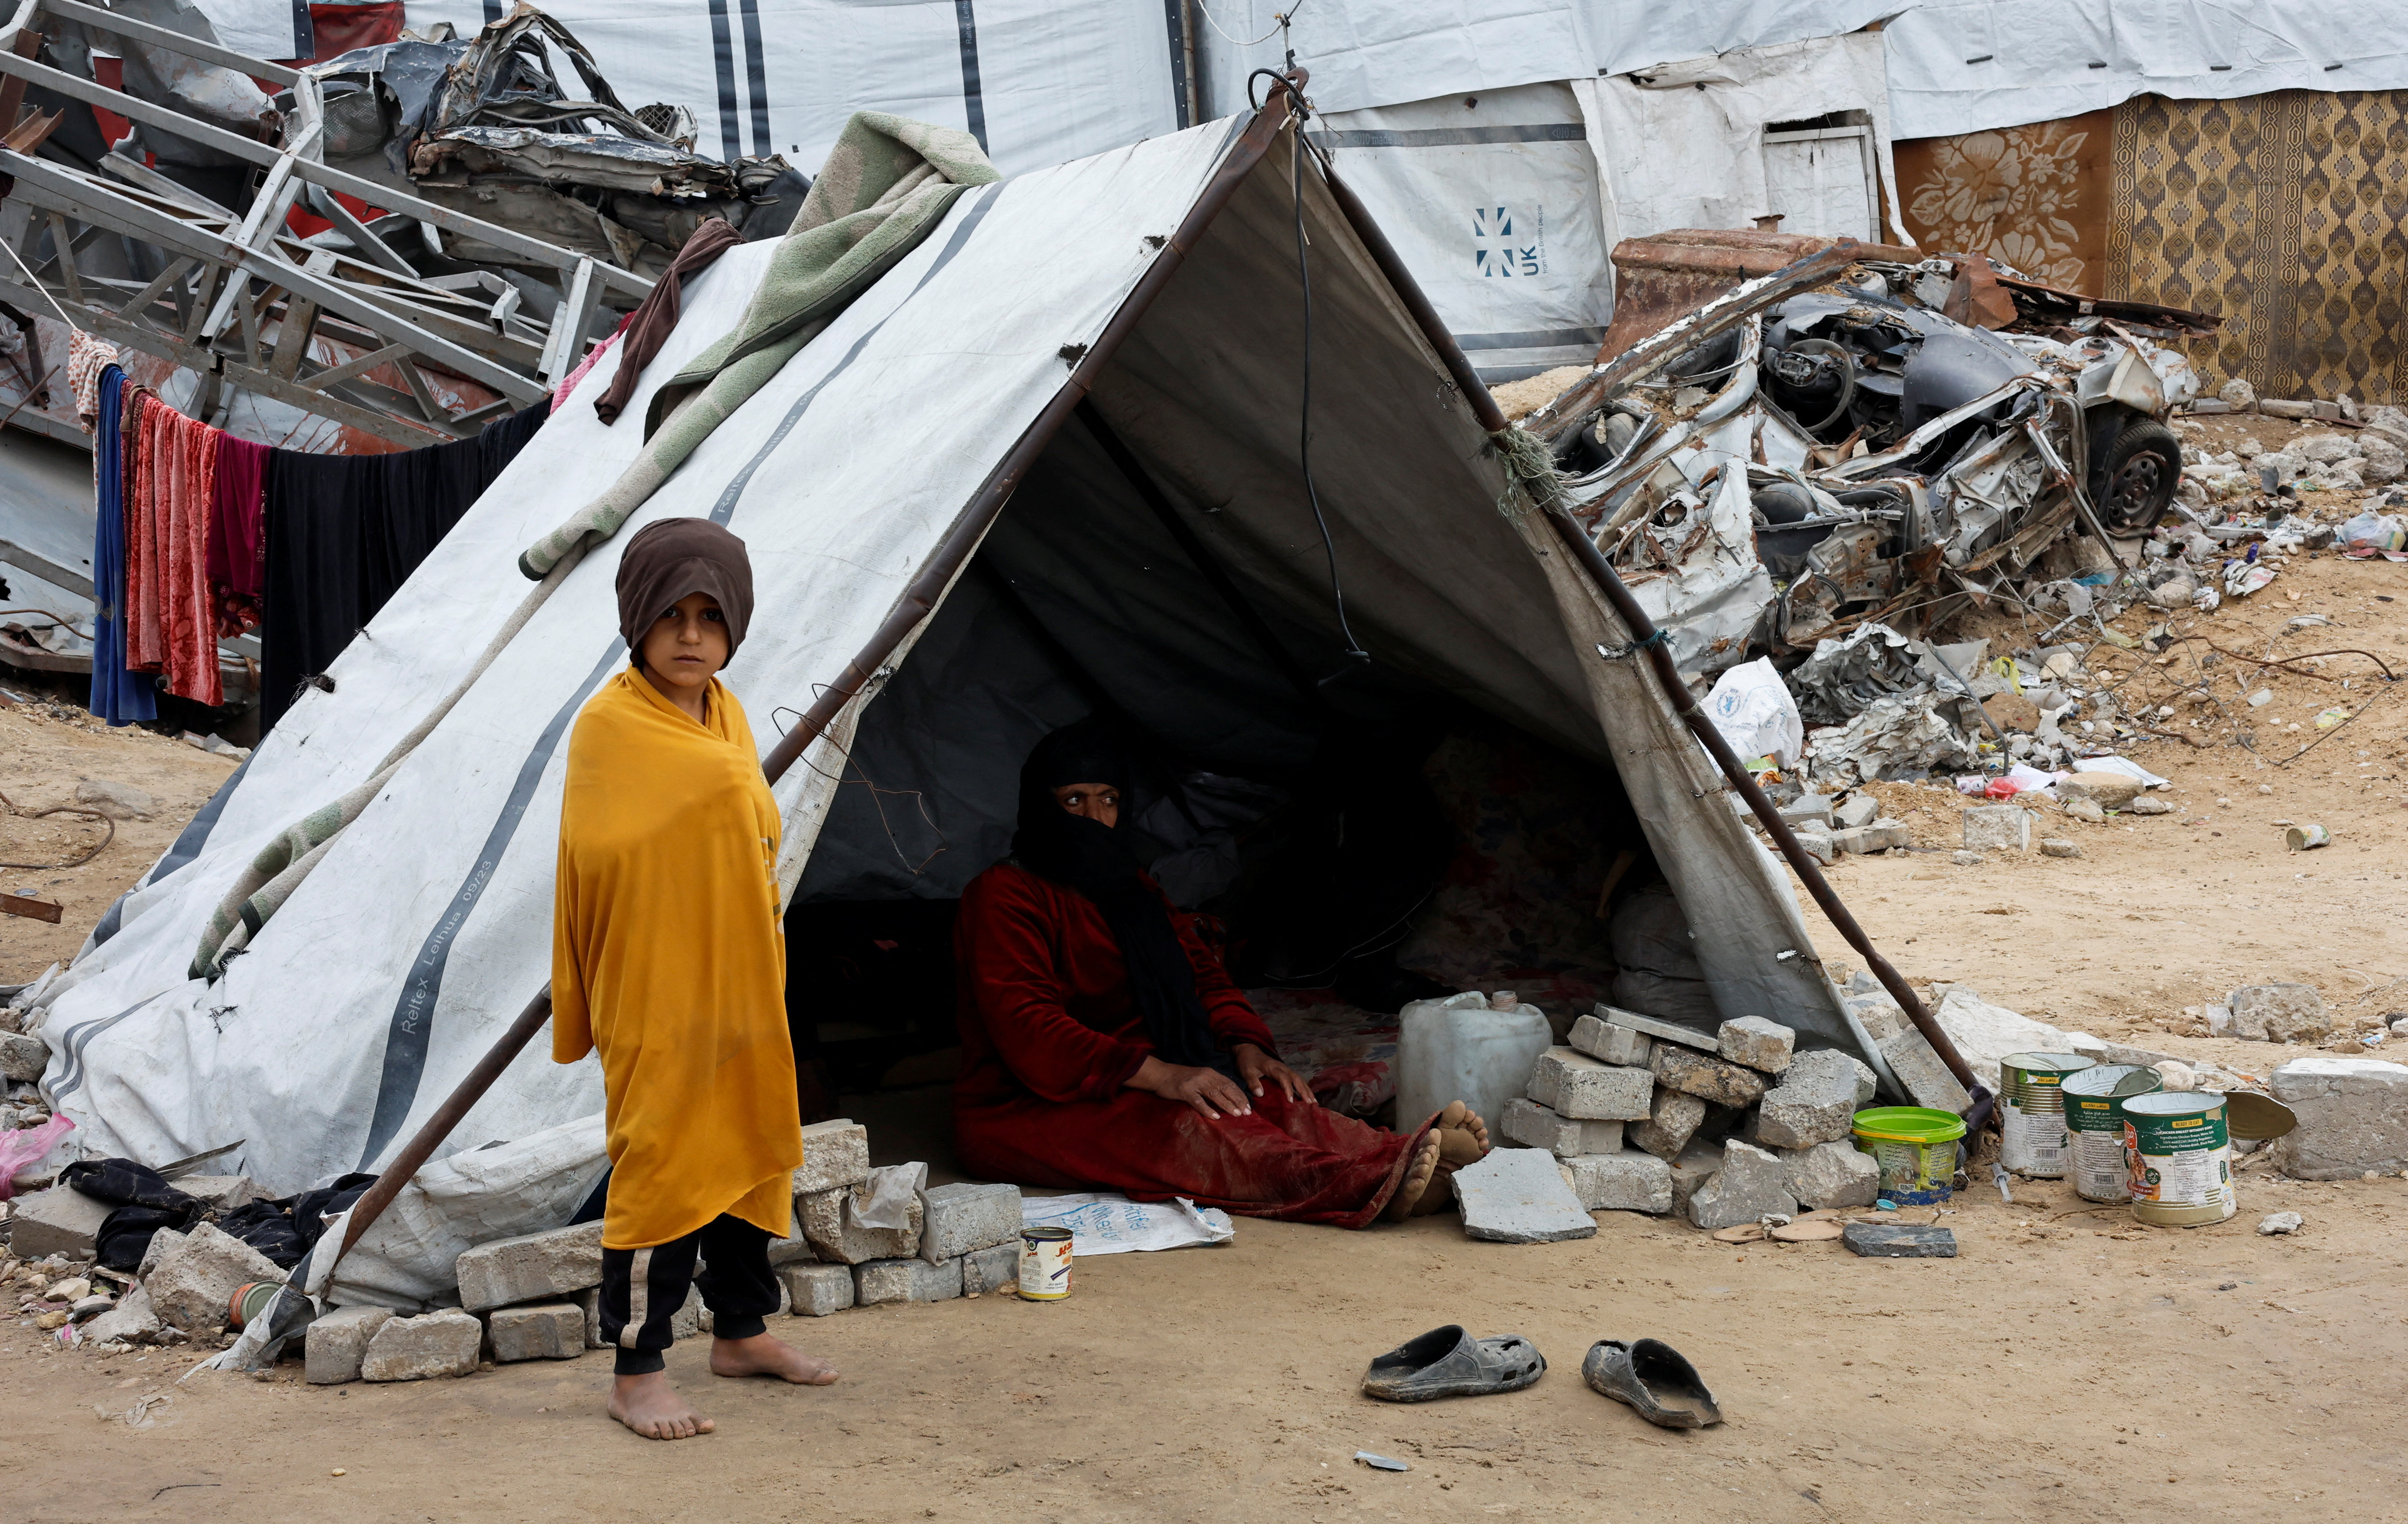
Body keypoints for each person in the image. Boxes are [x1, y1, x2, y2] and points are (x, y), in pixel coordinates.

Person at [953, 725, 1489, 1226]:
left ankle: (1405, 1155)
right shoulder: (1003, 896)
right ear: (1042, 806)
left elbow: (1204, 976)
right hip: (1030, 1103)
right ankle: (1374, 1186)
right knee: (1197, 1127)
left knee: (1271, 1099)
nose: (1095, 817)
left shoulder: (1133, 890)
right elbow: (1030, 1028)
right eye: (1074, 800)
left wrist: (1247, 1045)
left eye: (1109, 799)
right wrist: (1164, 1075)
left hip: (1147, 1070)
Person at [553, 517, 836, 1441]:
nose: (689, 635)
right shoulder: (611, 725)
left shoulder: (726, 710)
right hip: (659, 979)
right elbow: (600, 854)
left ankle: (742, 1332)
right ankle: (637, 1369)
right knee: (666, 1158)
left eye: (710, 616)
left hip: (740, 975)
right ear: (636, 617)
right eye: (670, 613)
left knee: (750, 1141)